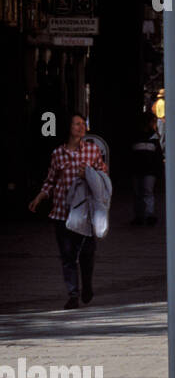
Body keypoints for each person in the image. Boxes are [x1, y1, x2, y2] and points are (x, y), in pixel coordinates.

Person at [29, 112, 109, 310]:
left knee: (87, 254)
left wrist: (90, 174)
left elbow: (103, 176)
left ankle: (87, 286)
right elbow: (51, 181)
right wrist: (40, 197)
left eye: (83, 124)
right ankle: (73, 294)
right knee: (67, 256)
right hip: (62, 213)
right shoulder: (57, 154)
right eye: (76, 124)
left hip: (85, 214)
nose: (81, 127)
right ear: (68, 128)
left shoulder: (93, 151)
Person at [130, 113, 163, 226]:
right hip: (149, 170)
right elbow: (158, 156)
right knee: (147, 192)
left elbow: (131, 155)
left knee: (138, 193)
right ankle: (148, 215)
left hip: (138, 169)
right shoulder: (154, 138)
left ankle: (140, 216)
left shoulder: (135, 136)